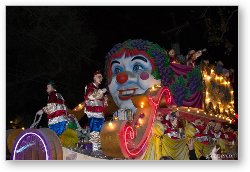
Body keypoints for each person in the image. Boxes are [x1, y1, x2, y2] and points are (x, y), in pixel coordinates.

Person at [84, 71, 107, 151]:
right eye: (99, 76)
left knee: (100, 132)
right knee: (95, 131)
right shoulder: (89, 86)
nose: (101, 78)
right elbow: (90, 96)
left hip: (100, 114)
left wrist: (105, 100)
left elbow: (101, 103)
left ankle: (98, 149)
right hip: (94, 114)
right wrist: (101, 92)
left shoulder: (97, 89)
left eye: (101, 77)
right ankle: (95, 150)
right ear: (94, 77)